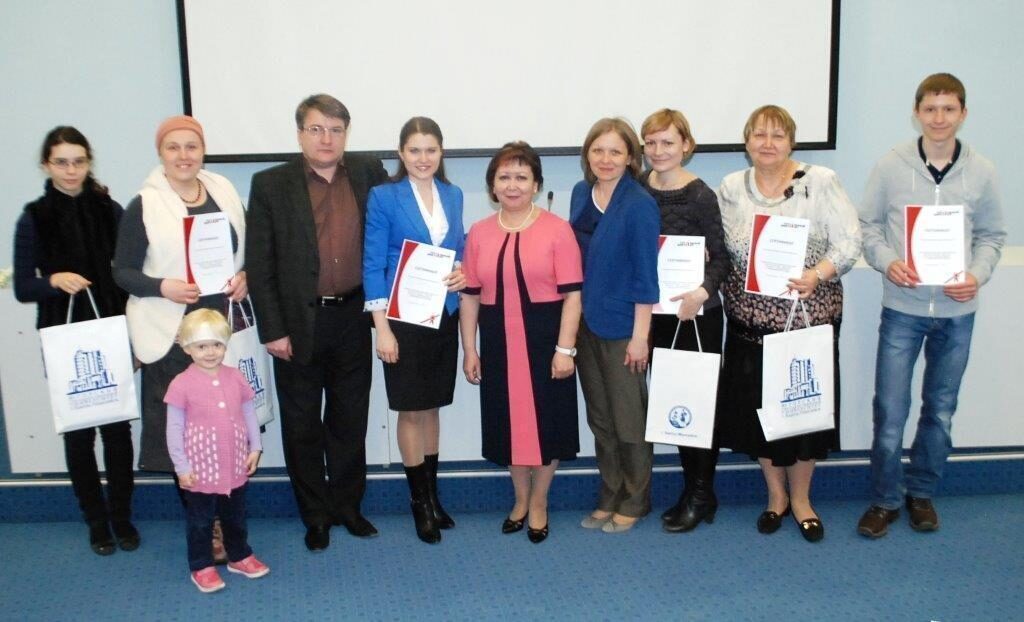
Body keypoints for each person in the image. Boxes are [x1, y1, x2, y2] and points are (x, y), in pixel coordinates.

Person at [856, 73, 1005, 538]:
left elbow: (992, 236)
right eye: (930, 108)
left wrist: (977, 274)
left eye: (949, 109)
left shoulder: (982, 171)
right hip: (903, 309)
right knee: (890, 413)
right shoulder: (891, 166)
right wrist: (888, 262)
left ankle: (921, 494)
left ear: (963, 114)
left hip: (957, 315)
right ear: (916, 112)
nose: (939, 118)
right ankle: (884, 500)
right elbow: (868, 227)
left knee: (940, 410)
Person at [245, 94, 389, 551]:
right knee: (302, 423)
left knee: (350, 418)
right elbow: (259, 263)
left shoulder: (368, 173)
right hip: (297, 324)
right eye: (316, 129)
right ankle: (315, 514)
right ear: (300, 134)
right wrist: (272, 330)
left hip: (354, 316)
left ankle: (347, 506)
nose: (326, 138)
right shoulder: (270, 184)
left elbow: (396, 229)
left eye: (336, 130)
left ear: (346, 134)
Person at [717, 105, 861, 542]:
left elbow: (849, 242)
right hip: (749, 325)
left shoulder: (820, 181)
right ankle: (775, 496)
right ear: (746, 141)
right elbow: (721, 248)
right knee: (759, 413)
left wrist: (816, 274)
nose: (767, 143)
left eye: (777, 135)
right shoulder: (731, 187)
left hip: (806, 322)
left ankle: (801, 499)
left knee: (803, 413)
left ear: (792, 142)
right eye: (759, 135)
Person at [114, 114, 248, 562]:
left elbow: (243, 251)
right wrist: (163, 287)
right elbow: (122, 272)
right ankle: (205, 525)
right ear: (161, 153)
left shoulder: (224, 190)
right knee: (187, 438)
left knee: (225, 428)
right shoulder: (144, 204)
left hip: (221, 333)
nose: (184, 155)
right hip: (172, 337)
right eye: (174, 147)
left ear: (203, 150)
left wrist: (244, 276)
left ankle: (226, 519)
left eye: (192, 146)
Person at [14, 126, 137, 556]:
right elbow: (22, 288)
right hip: (63, 337)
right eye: (62, 162)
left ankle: (121, 516)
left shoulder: (109, 209)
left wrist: (136, 334)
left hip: (111, 329)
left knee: (118, 431)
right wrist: (53, 280)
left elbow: (128, 274)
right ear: (46, 165)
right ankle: (96, 521)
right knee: (79, 434)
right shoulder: (34, 216)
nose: (71, 170)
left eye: (79, 161)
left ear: (89, 163)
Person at [461, 141, 582, 544]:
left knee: (548, 425)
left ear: (536, 184)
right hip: (498, 341)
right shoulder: (479, 233)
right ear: (492, 185)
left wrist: (565, 350)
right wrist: (470, 349)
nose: (512, 185)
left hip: (546, 341)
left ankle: (540, 502)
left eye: (521, 177)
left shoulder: (557, 229)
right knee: (508, 424)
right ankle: (519, 499)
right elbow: (470, 297)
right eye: (504, 177)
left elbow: (573, 296)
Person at [363, 117, 466, 543]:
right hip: (402, 319)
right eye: (415, 150)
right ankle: (418, 503)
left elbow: (458, 248)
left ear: (441, 152)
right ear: (401, 153)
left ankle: (434, 496)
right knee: (410, 409)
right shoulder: (384, 197)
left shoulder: (453, 194)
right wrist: (381, 329)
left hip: (444, 314)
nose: (423, 158)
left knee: (432, 407)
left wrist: (462, 270)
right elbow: (373, 263)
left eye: (431, 150)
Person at [639, 109, 728, 533]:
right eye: (651, 143)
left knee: (699, 405)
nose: (659, 151)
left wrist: (701, 292)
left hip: (696, 316)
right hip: (657, 315)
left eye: (668, 142)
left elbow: (722, 259)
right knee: (674, 404)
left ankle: (701, 492)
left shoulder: (700, 195)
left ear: (686, 146)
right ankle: (692, 490)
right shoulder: (638, 188)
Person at [570, 118, 660, 533]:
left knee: (629, 420)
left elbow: (646, 276)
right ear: (587, 154)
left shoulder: (639, 204)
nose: (605, 159)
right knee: (601, 419)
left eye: (615, 152)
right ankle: (610, 493)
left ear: (630, 158)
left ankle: (636, 498)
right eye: (598, 150)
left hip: (624, 328)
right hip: (585, 324)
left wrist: (640, 337)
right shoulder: (579, 193)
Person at [165, 309, 268, 593]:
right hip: (199, 471)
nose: (210, 352)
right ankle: (201, 565)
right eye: (201, 346)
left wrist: (255, 447)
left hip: (235, 466)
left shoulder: (236, 377)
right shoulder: (181, 384)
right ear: (187, 348)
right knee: (200, 522)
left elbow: (249, 413)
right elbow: (174, 429)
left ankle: (239, 555)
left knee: (236, 516)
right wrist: (181, 467)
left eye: (217, 345)